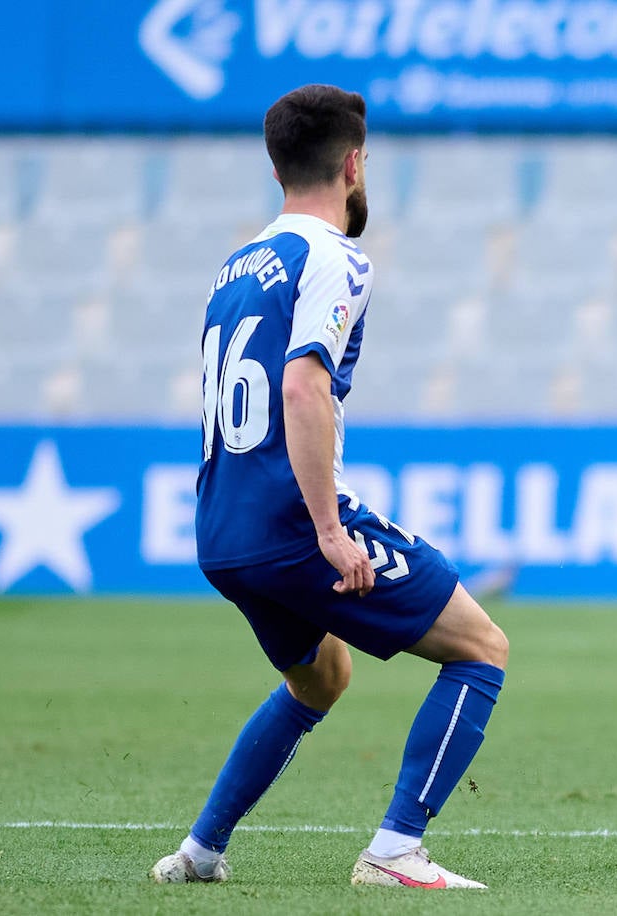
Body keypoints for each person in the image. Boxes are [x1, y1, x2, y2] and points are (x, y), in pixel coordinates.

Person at [150, 84, 508, 891]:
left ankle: (201, 852)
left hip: (220, 526)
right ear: (353, 164)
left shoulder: (234, 266)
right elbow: (303, 385)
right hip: (288, 520)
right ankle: (395, 850)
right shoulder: (336, 256)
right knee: (482, 648)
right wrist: (328, 530)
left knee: (322, 676)